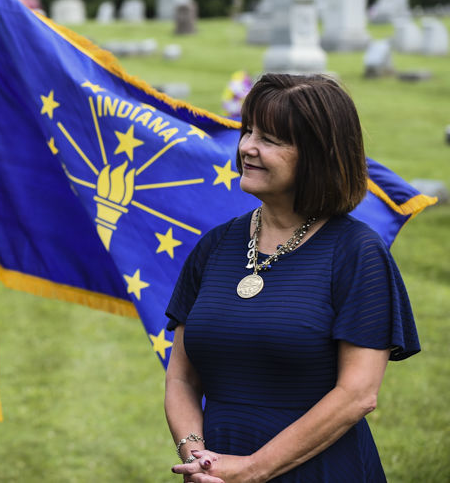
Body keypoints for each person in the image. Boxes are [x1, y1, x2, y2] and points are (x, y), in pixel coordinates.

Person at [164, 73, 419, 482]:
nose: (246, 147)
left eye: (270, 139)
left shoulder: (357, 253)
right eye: (249, 131)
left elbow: (357, 395)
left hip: (319, 471)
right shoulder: (214, 247)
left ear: (318, 155)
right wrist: (199, 456)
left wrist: (252, 469)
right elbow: (180, 375)